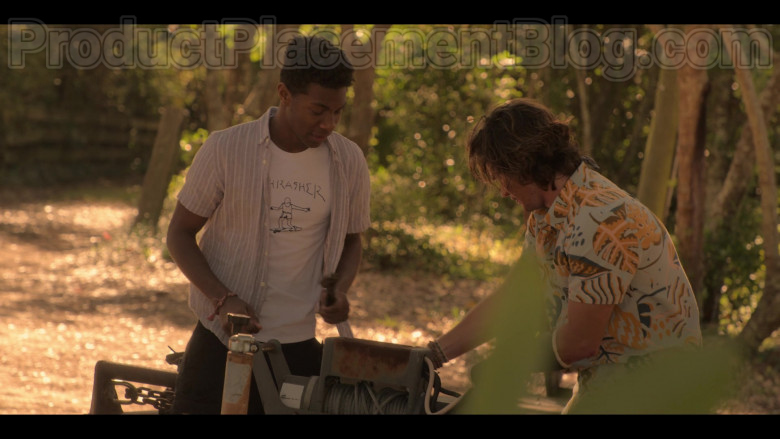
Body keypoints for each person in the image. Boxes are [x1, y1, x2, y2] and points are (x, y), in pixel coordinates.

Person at [425, 98, 702, 413]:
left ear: (523, 162)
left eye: (502, 175)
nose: (502, 190)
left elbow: (580, 341)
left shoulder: (601, 217)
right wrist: (433, 356)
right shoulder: (547, 218)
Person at [166, 35, 371, 414]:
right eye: (318, 110)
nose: (329, 123)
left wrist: (340, 289)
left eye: (338, 112)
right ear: (284, 93)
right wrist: (223, 299)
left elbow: (352, 239)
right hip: (218, 348)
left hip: (298, 351)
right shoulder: (226, 149)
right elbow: (178, 234)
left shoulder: (349, 161)